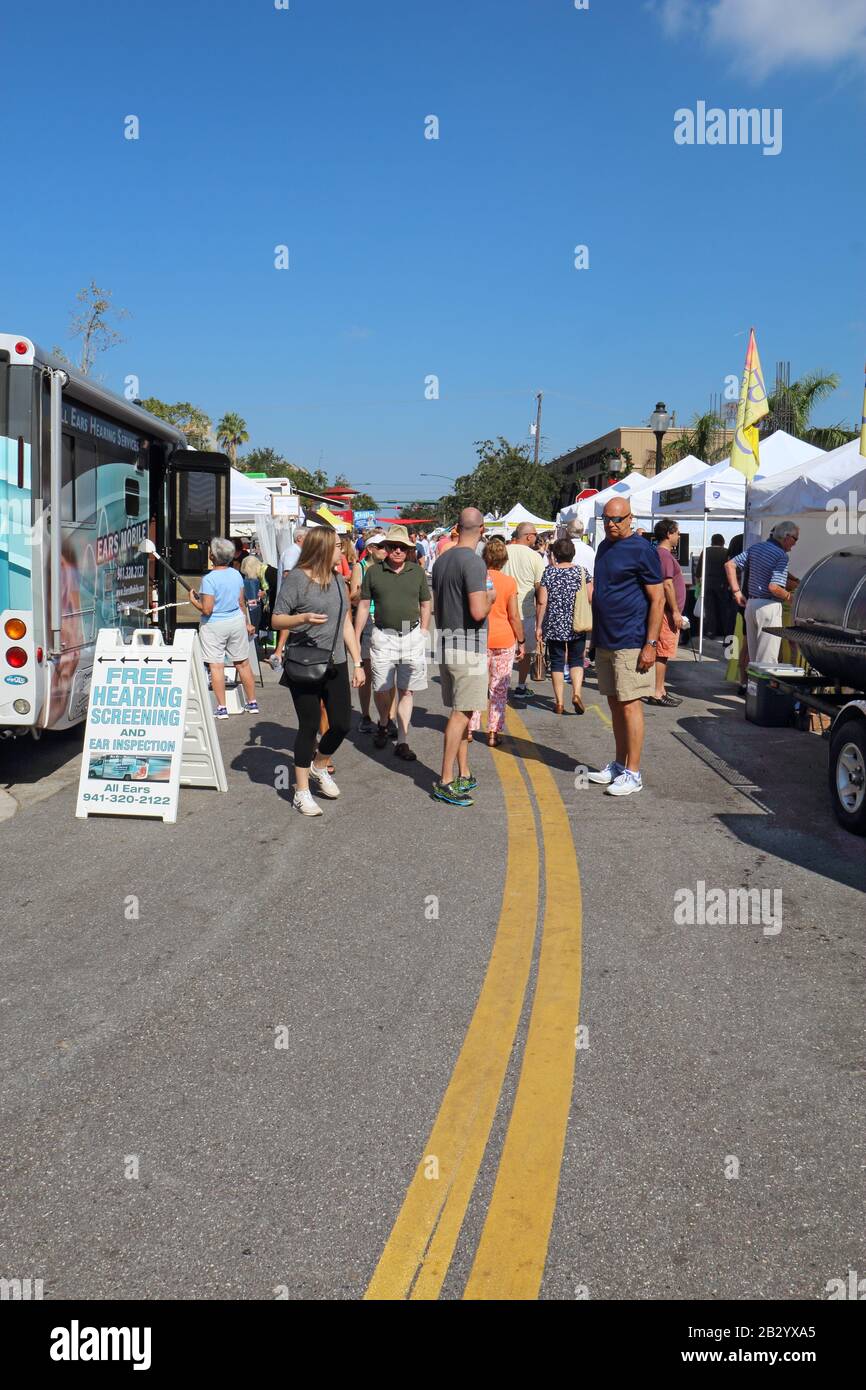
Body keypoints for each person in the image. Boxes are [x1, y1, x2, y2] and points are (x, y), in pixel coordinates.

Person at [271, 527, 365, 817]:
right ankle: (301, 791)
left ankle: (319, 766)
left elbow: (346, 623)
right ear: (323, 548)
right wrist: (302, 618)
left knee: (342, 724)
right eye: (338, 546)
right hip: (305, 663)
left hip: (336, 661)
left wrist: (358, 661)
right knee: (309, 725)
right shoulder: (297, 579)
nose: (343, 551)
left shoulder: (338, 579)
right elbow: (276, 619)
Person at [586, 497, 664, 796]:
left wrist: (651, 643)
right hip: (606, 638)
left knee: (631, 705)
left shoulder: (643, 550)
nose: (611, 524)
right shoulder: (604, 547)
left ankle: (634, 772)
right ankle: (619, 765)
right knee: (614, 703)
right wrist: (594, 638)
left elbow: (657, 599)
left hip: (631, 640)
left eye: (617, 519)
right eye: (606, 519)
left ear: (631, 518)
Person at [430, 507, 494, 806]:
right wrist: (491, 599)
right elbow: (479, 611)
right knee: (461, 715)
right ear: (481, 530)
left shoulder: (442, 560)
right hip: (467, 645)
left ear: (457, 527)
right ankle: (445, 780)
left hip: (446, 641)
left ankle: (462, 771)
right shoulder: (474, 562)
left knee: (461, 711)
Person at [354, 525, 431, 760]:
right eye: (392, 546)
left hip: (411, 635)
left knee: (407, 690)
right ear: (385, 549)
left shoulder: (417, 572)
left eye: (402, 547)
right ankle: (384, 723)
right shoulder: (374, 572)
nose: (397, 551)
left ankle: (403, 740)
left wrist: (424, 630)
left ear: (409, 550)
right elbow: (364, 606)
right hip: (382, 636)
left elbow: (426, 603)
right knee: (381, 687)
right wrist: (356, 638)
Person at [189, 537, 258, 718]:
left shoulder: (209, 579)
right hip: (236, 620)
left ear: (212, 556)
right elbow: (240, 602)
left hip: (214, 625)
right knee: (243, 663)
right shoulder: (236, 574)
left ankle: (222, 707)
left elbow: (207, 609)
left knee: (216, 666)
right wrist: (246, 622)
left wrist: (194, 601)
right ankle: (252, 702)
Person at [469, 537, 524, 747]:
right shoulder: (509, 582)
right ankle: (493, 731)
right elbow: (514, 616)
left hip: (481, 637)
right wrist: (522, 640)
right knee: (499, 688)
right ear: (504, 559)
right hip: (504, 638)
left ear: (484, 557)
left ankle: (469, 728)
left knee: (476, 686)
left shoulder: (477, 579)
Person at [724, 522, 800, 669]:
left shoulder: (756, 548)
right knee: (767, 661)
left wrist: (736, 591)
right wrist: (790, 598)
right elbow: (774, 587)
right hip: (768, 607)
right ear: (787, 537)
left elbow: (730, 565)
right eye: (795, 539)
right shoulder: (781, 555)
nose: (795, 544)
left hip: (752, 604)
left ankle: (753, 690)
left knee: (754, 659)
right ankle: (762, 691)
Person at [535, 537, 593, 714]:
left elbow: (542, 601)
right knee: (576, 660)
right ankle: (576, 693)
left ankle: (559, 702)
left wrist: (538, 626)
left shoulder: (549, 573)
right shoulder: (582, 572)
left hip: (554, 624)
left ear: (555, 554)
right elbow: (591, 597)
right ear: (573, 554)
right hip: (577, 622)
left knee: (557, 662)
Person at [646, 519, 685, 707]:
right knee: (662, 652)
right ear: (669, 534)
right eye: (677, 533)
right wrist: (676, 612)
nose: (678, 536)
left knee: (663, 652)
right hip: (666, 612)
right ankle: (657, 692)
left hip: (666, 611)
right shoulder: (664, 555)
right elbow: (667, 583)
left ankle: (660, 689)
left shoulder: (661, 554)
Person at [503, 522, 545, 700]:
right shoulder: (535, 557)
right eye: (535, 535)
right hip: (525, 610)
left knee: (503, 651)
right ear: (529, 536)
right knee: (526, 652)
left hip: (503, 610)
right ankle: (521, 686)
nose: (536, 538)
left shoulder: (504, 551)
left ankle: (498, 685)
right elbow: (540, 587)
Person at [356, 533, 388, 732]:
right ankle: (366, 715)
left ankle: (388, 717)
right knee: (367, 673)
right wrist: (367, 591)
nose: (386, 550)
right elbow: (353, 596)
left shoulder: (388, 568)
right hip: (367, 621)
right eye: (381, 546)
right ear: (370, 549)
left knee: (387, 672)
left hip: (386, 621)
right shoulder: (359, 568)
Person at [271, 526, 308, 669]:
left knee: (290, 624)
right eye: (307, 537)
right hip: (291, 596)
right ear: (299, 538)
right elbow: (288, 573)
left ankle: (279, 652)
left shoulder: (297, 551)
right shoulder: (293, 552)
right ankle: (279, 652)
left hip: (294, 595)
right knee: (287, 623)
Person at [694, 532, 731, 639]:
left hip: (708, 583)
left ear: (712, 542)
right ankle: (723, 630)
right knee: (723, 607)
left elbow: (698, 571)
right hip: (722, 584)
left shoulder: (706, 551)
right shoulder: (726, 552)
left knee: (709, 608)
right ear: (723, 542)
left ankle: (711, 631)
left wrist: (698, 584)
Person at [240, 554, 265, 633]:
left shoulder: (249, 582)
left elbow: (252, 602)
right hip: (256, 609)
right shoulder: (257, 580)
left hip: (251, 610)